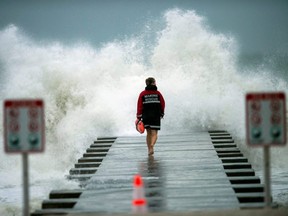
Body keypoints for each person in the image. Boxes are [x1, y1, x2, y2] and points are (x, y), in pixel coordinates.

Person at [137, 77, 165, 155]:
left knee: (148, 133)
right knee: (154, 132)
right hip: (155, 115)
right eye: (155, 82)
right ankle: (152, 145)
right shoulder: (158, 93)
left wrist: (138, 116)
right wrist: (162, 113)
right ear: (153, 83)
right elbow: (162, 104)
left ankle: (149, 149)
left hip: (146, 115)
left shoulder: (142, 94)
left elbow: (139, 106)